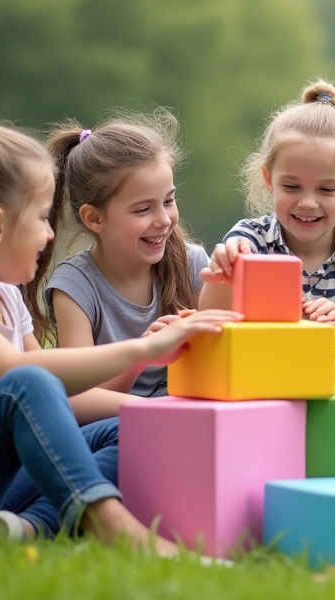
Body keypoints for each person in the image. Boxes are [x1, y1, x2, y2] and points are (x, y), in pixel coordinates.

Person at [0, 68, 240, 549]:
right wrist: (145, 350)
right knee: (28, 383)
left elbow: (60, 391)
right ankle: (112, 526)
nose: (51, 234)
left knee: (132, 434)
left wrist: (157, 411)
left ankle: (26, 527)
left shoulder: (5, 294)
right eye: (40, 219)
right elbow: (20, 376)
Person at [199, 80, 335, 475]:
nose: (308, 202)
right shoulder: (250, 239)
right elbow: (209, 321)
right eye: (291, 186)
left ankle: (334, 472)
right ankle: (257, 473)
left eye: (326, 189)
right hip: (260, 380)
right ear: (268, 179)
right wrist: (224, 277)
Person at [22, 113, 209, 406]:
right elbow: (79, 398)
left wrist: (227, 275)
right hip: (113, 423)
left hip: (189, 415)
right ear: (94, 218)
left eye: (168, 201)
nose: (164, 220)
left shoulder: (191, 262)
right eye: (143, 209)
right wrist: (142, 356)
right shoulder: (75, 286)